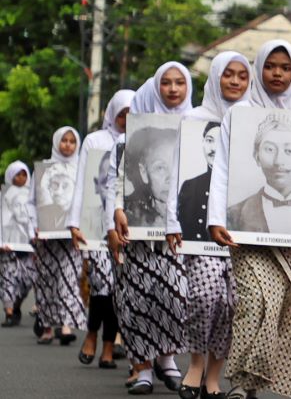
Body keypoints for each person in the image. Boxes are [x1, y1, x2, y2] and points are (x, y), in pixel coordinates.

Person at [208, 40, 291, 399]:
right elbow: (222, 168)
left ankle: (253, 381)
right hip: (247, 233)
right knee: (255, 301)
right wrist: (216, 218)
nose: (277, 73)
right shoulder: (238, 116)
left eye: (285, 68)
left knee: (287, 309)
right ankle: (241, 382)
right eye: (270, 65)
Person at [166, 51, 251, 399]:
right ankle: (196, 364)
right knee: (202, 299)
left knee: (231, 305)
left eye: (241, 75)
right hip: (200, 239)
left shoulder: (251, 117)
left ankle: (215, 375)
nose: (233, 81)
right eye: (227, 74)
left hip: (242, 233)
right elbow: (176, 174)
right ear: (215, 76)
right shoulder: (193, 119)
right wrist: (172, 221)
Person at [108, 62, 192, 394]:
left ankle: (167, 359)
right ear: (155, 88)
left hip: (177, 235)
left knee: (174, 297)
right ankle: (141, 368)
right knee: (138, 299)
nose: (173, 89)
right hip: (138, 235)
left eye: (179, 83)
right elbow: (114, 182)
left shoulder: (196, 126)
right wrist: (115, 211)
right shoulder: (131, 135)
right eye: (166, 83)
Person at [68, 89, 134, 369]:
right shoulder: (95, 140)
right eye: (122, 113)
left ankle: (109, 346)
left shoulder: (138, 140)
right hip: (95, 225)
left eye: (132, 113)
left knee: (119, 288)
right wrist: (74, 222)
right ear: (113, 113)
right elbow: (83, 181)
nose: (126, 118)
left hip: (127, 226)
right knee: (101, 285)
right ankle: (92, 335)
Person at [226, 111, 291, 235]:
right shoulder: (234, 214)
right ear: (257, 157)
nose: (279, 161)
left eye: (289, 151)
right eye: (269, 149)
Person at [34, 126, 87, 346]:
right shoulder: (44, 169)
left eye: (71, 141)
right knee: (47, 279)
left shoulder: (81, 169)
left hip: (71, 237)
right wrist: (34, 227)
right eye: (63, 140)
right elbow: (32, 203)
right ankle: (47, 326)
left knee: (68, 278)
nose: (67, 145)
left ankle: (66, 325)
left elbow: (87, 200)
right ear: (56, 142)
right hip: (46, 238)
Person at [0, 161, 36, 328]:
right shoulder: (3, 196)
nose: (21, 178)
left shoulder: (32, 197)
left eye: (24, 174)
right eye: (17, 174)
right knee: (8, 279)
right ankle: (8, 313)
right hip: (7, 248)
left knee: (27, 280)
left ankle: (15, 307)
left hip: (27, 247)